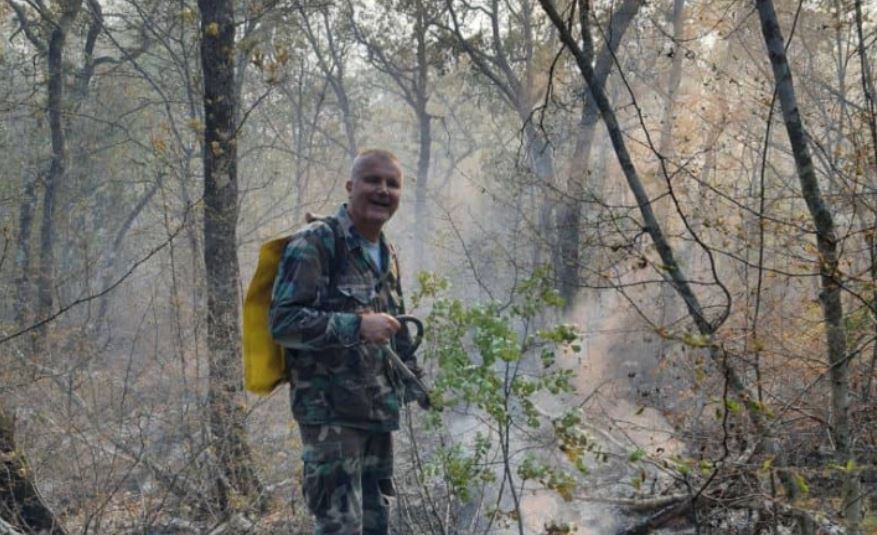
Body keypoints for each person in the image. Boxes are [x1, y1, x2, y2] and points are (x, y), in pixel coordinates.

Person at [269, 149, 421, 534]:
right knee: (340, 529)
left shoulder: (386, 252)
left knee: (375, 526)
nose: (382, 190)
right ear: (351, 187)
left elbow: (394, 324)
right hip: (330, 421)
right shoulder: (316, 243)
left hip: (376, 414)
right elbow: (284, 323)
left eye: (392, 184)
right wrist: (356, 327)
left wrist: (413, 378)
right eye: (372, 180)